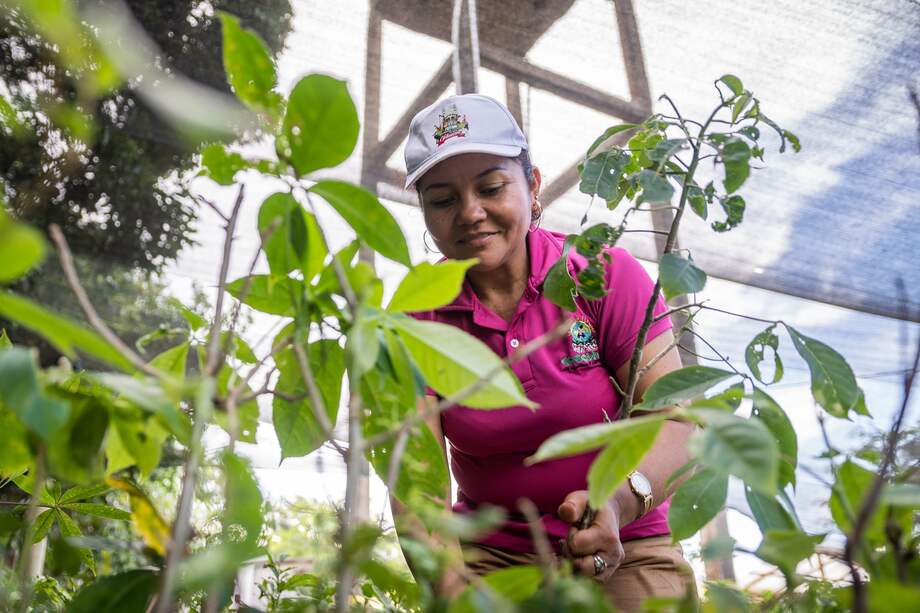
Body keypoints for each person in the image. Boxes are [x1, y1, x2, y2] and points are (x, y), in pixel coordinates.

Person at [398, 93, 698, 611]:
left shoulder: (601, 275)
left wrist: (617, 505)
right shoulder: (415, 319)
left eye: (491, 187)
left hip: (626, 545)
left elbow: (676, 421)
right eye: (443, 200)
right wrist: (456, 597)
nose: (470, 213)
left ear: (532, 185)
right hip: (486, 557)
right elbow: (417, 489)